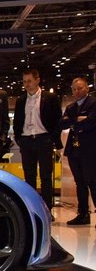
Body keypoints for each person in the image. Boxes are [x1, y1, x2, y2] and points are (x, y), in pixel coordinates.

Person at [12, 69, 62, 212]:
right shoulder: (21, 100)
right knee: (29, 177)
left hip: (43, 139)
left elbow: (57, 120)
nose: (26, 84)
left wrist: (52, 138)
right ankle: (32, 209)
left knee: (46, 176)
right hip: (26, 140)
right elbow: (17, 121)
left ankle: (47, 210)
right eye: (24, 82)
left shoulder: (50, 98)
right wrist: (19, 138)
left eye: (29, 81)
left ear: (37, 80)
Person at [60, 77, 96, 226]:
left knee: (92, 181)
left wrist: (74, 123)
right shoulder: (71, 107)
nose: (77, 91)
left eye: (80, 88)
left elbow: (91, 122)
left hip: (90, 149)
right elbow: (63, 124)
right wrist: (77, 120)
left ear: (87, 88)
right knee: (79, 182)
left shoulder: (93, 103)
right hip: (74, 149)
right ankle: (83, 213)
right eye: (74, 89)